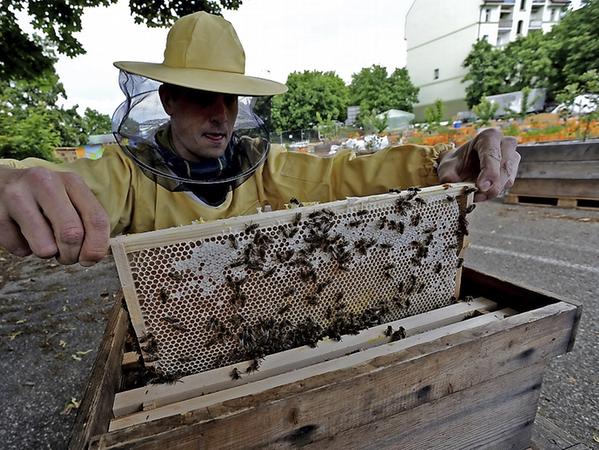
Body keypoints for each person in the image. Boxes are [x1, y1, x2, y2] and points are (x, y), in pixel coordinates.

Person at [0, 12, 520, 267]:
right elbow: (63, 183)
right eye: (202, 96)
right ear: (167, 100)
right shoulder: (123, 174)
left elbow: (342, 175)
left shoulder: (263, 166)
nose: (220, 114)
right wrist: (12, 182)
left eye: (230, 99)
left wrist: (438, 164)